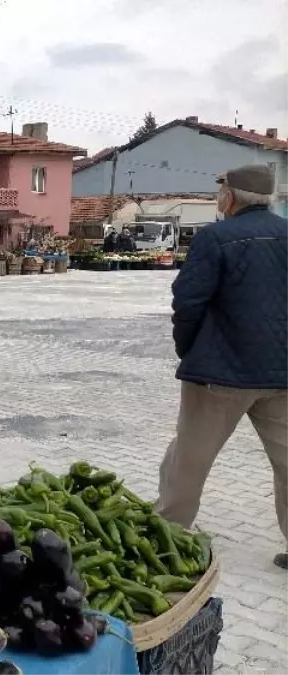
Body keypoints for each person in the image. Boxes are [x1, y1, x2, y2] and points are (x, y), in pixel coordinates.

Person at [152, 165, 288, 569]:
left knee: (189, 459)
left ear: (231, 197)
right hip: (282, 374)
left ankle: (168, 542)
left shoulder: (216, 237)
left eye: (221, 191)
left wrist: (189, 349)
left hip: (220, 374)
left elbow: (188, 301)